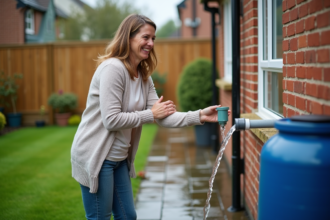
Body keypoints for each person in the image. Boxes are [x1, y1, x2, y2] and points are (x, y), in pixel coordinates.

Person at [71, 14, 230, 220]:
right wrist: (150, 114)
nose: (151, 43)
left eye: (153, 38)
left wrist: (199, 116)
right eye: (146, 37)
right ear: (128, 37)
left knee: (128, 216)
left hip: (119, 158)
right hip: (98, 156)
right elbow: (111, 120)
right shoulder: (113, 69)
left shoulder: (143, 76)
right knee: (100, 217)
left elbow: (163, 117)